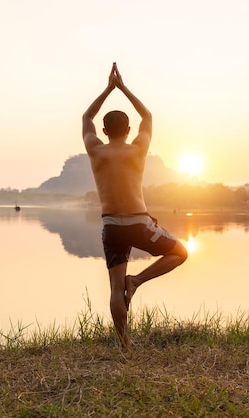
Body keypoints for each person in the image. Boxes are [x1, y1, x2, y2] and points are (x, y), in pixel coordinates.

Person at [82, 63, 188, 348]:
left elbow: (86, 117)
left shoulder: (96, 150)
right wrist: (123, 88)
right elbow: (148, 116)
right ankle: (138, 281)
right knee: (180, 253)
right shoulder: (138, 149)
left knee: (115, 288)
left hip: (111, 226)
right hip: (139, 223)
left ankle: (124, 344)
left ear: (104, 130)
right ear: (129, 130)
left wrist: (108, 89)